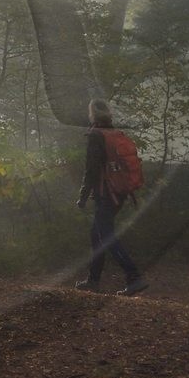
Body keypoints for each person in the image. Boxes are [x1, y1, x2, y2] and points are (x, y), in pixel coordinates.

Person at [75, 98, 150, 296]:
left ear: (92, 114)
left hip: (106, 193)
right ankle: (93, 280)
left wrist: (82, 196)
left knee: (106, 235)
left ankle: (134, 276)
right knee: (97, 233)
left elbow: (91, 171)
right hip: (120, 192)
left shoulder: (96, 136)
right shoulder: (115, 133)